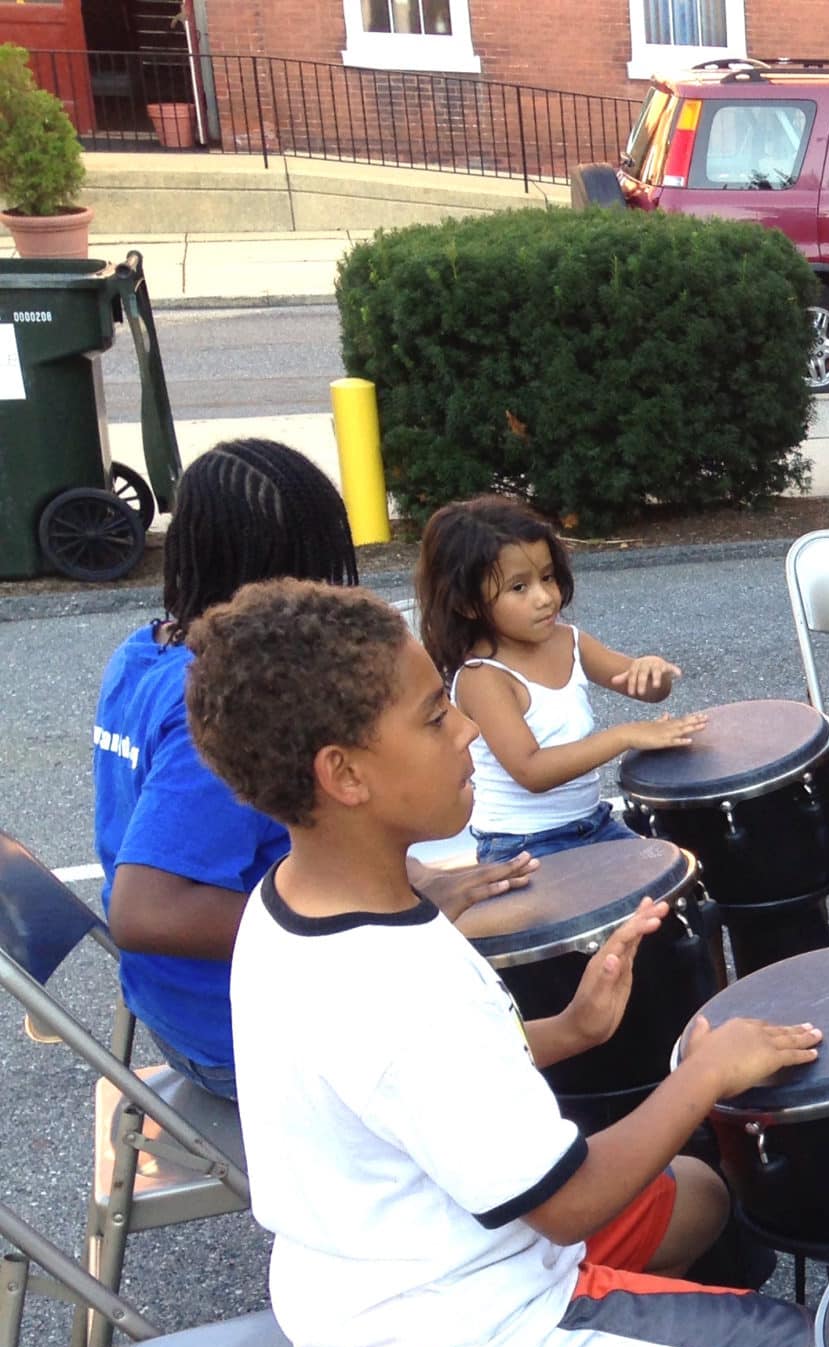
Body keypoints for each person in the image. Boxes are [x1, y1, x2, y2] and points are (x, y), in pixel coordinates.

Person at [188, 579, 826, 1347]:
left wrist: (570, 1031)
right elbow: (569, 1203)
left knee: (695, 1199)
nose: (468, 735)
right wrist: (706, 1074)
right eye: (435, 717)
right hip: (453, 1324)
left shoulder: (299, 901)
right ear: (345, 775)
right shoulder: (400, 987)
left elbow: (411, 1095)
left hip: (376, 1276)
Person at [91, 439, 530, 1102]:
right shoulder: (219, 710)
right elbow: (145, 911)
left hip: (179, 1010)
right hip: (241, 1036)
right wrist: (373, 920)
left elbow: (246, 841)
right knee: (495, 1007)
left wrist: (403, 881)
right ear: (282, 580)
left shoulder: (144, 652)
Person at [419, 496, 701, 865]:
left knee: (672, 873)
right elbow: (531, 770)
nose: (544, 598)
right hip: (522, 845)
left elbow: (648, 691)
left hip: (593, 823)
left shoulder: (569, 641)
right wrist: (625, 736)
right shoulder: (483, 677)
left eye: (547, 577)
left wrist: (652, 670)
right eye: (519, 588)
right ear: (468, 604)